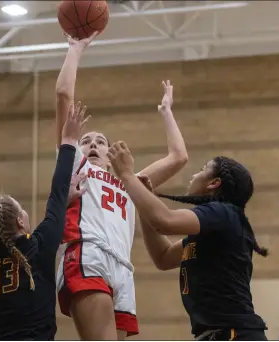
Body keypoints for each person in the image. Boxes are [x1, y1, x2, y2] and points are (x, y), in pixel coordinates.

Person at [55, 32, 188, 340]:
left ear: (110, 152)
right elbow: (63, 95)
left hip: (122, 269)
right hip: (88, 254)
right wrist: (75, 49)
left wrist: (166, 112)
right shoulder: (75, 165)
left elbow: (179, 157)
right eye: (86, 140)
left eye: (100, 142)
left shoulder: (129, 182)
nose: (92, 144)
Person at [107, 140, 269, 341]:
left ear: (213, 183)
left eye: (202, 170)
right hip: (218, 333)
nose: (194, 175)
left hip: (234, 334)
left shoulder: (223, 213)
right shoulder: (215, 227)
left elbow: (164, 221)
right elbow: (163, 257)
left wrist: (126, 175)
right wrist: (145, 201)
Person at [0, 102, 89, 340]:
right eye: (24, 209)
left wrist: (63, 202)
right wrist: (69, 140)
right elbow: (57, 194)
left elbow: (54, 207)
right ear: (20, 221)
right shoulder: (37, 248)